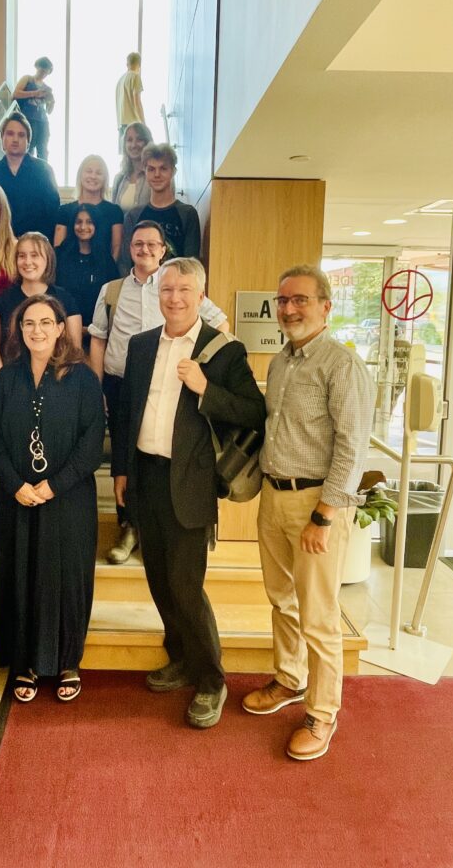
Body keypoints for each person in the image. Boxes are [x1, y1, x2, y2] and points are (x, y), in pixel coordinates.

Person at [113, 257, 266, 729]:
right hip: (145, 477)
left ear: (201, 296)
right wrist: (121, 470)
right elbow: (125, 412)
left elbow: (253, 412)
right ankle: (179, 657)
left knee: (185, 584)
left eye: (184, 290)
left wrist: (205, 389)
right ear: (157, 295)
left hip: (190, 484)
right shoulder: (140, 346)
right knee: (158, 579)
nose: (174, 298)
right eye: (167, 290)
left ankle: (211, 680)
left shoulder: (222, 351)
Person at [242, 265, 375, 761]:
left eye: (299, 300)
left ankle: (322, 713)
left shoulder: (341, 366)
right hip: (274, 498)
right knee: (282, 600)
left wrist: (324, 514)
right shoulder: (281, 363)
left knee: (319, 615)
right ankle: (289, 679)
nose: (289, 309)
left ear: (325, 306)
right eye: (282, 301)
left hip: (315, 504)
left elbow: (352, 446)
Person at [0, 294, 105, 703]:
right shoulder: (6, 378)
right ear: (19, 331)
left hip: (68, 499)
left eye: (45, 323)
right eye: (28, 323)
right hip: (14, 497)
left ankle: (67, 660)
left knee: (66, 579)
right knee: (20, 576)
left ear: (60, 329)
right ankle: (26, 663)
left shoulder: (84, 378)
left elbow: (91, 444)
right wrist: (14, 483)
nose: (37, 330)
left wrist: (54, 485)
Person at [89, 222, 229, 564]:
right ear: (130, 248)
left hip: (168, 382)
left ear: (164, 249)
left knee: (157, 456)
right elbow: (98, 338)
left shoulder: (174, 285)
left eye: (153, 244)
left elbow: (222, 326)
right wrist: (97, 387)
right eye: (138, 243)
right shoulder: (112, 290)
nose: (145, 249)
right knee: (124, 457)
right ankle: (129, 528)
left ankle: (155, 525)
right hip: (121, 383)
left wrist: (204, 369)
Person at [0, 232, 82, 376]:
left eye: (35, 255)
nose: (27, 261)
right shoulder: (2, 300)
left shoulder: (66, 301)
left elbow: (74, 348)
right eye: (22, 256)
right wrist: (4, 380)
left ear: (48, 259)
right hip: (12, 381)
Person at [120, 143, 200, 273]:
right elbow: (125, 262)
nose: (157, 175)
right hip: (141, 288)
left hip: (174, 288)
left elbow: (191, 265)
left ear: (173, 171)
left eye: (163, 168)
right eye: (151, 169)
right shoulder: (133, 216)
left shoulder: (187, 214)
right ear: (145, 172)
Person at [0, 113, 60, 241]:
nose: (15, 139)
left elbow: (53, 213)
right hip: (1, 244)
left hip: (37, 245)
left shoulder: (44, 170)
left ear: (28, 141)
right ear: (2, 139)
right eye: (10, 133)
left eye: (21, 135)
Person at [55, 204, 119, 344]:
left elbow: (111, 299)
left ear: (96, 225)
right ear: (72, 225)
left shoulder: (105, 259)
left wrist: (89, 329)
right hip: (61, 330)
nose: (83, 227)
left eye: (89, 222)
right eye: (79, 222)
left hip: (96, 332)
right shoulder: (59, 255)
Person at [54, 155, 123, 262]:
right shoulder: (65, 210)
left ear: (105, 178)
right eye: (89, 171)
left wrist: (108, 271)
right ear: (80, 175)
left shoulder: (114, 211)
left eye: (99, 173)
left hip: (105, 273)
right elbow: (58, 248)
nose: (93, 176)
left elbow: (116, 248)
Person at [12, 57, 54, 161]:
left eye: (46, 71)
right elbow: (16, 94)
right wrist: (35, 93)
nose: (43, 72)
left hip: (42, 120)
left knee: (43, 148)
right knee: (29, 146)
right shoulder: (28, 79)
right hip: (28, 118)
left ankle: (43, 173)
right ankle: (27, 170)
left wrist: (52, 101)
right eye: (42, 69)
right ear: (37, 67)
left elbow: (49, 111)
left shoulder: (46, 88)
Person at [111, 122, 153, 218]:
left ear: (147, 142)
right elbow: (113, 216)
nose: (134, 145)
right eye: (129, 140)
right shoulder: (119, 179)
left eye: (139, 140)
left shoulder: (156, 176)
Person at [115, 52, 145, 150]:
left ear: (127, 64)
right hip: (133, 125)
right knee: (138, 158)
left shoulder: (120, 81)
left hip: (121, 126)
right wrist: (143, 124)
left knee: (125, 161)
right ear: (139, 65)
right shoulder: (135, 77)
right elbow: (137, 102)